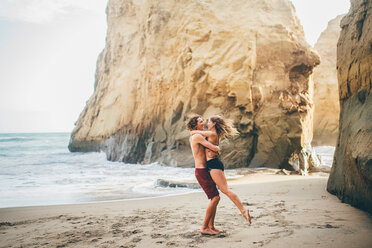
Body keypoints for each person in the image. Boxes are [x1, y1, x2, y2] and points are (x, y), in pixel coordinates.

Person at [191, 115, 252, 224]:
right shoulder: (209, 134)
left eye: (208, 121)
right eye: (202, 121)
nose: (206, 123)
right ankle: (210, 226)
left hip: (213, 164)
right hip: (211, 165)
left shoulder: (212, 134)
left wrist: (194, 132)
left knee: (225, 190)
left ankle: (243, 210)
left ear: (214, 123)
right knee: (218, 195)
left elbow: (210, 143)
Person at [186, 115, 224, 235]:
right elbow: (214, 148)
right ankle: (204, 228)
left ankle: (211, 226)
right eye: (201, 121)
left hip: (205, 170)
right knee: (215, 198)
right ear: (196, 124)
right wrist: (216, 147)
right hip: (201, 171)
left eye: (203, 121)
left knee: (215, 197)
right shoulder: (197, 136)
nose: (203, 123)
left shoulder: (197, 134)